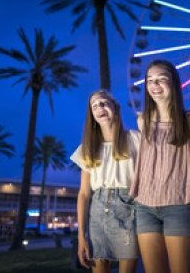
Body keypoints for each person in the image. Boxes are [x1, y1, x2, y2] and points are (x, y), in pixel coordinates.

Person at [130, 59, 190, 273]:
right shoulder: (142, 121)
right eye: (150, 81)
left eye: (161, 80)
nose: (155, 86)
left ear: (174, 83)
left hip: (179, 203)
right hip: (145, 205)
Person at [70, 90, 140, 273]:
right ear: (92, 115)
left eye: (103, 102)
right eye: (94, 105)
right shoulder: (87, 148)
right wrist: (81, 236)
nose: (99, 107)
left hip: (129, 209)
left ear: (115, 108)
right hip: (98, 211)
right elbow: (84, 194)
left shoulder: (134, 139)